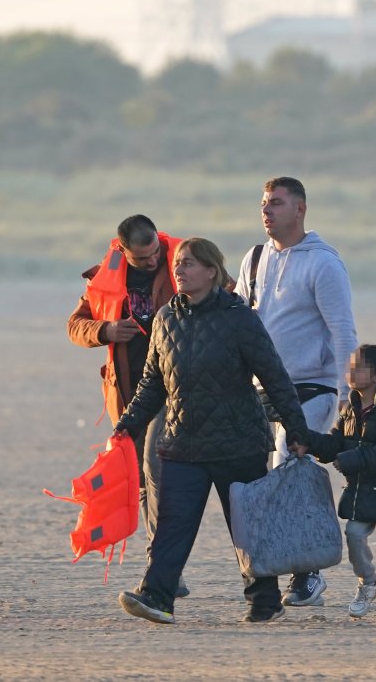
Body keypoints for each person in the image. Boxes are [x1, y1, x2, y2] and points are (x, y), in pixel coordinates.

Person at [115, 238, 307, 625]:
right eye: (178, 264)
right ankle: (157, 596)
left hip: (239, 443)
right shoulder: (166, 318)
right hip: (183, 442)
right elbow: (153, 384)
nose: (179, 270)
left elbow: (274, 377)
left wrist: (298, 429)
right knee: (172, 523)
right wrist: (127, 427)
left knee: (247, 528)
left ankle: (264, 600)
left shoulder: (239, 317)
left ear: (211, 271)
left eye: (188, 263)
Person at [236, 176, 359, 608]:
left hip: (312, 385)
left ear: (300, 209)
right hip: (259, 390)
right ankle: (275, 566)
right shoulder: (253, 259)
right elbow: (237, 323)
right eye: (264, 204)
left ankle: (307, 576)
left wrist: (349, 397)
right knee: (264, 475)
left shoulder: (323, 263)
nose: (267, 211)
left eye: (277, 203)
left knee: (290, 461)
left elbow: (343, 331)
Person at [66, 215, 192, 598]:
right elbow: (75, 324)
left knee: (163, 477)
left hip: (180, 391)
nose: (153, 262)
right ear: (123, 251)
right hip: (131, 395)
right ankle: (164, 568)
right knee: (143, 481)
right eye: (143, 259)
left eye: (156, 253)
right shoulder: (109, 274)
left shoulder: (185, 261)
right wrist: (105, 331)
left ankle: (164, 569)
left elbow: (229, 300)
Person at [293, 344, 376, 623]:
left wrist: (353, 459)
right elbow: (334, 444)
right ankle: (366, 583)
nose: (350, 371)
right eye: (349, 366)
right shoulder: (350, 408)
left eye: (358, 367)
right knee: (354, 534)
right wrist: (308, 440)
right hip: (364, 491)